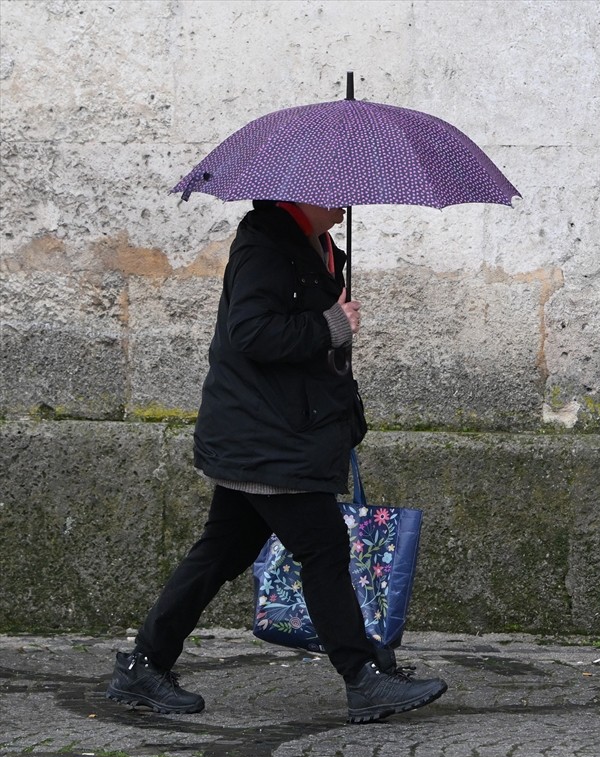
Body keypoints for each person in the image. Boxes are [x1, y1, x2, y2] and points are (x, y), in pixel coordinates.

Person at [106, 199, 446, 723]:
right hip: (266, 436)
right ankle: (362, 677)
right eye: (333, 193)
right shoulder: (265, 248)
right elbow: (251, 332)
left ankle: (143, 666)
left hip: (275, 432)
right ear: (301, 195)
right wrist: (330, 324)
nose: (343, 203)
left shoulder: (317, 247)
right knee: (324, 547)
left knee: (219, 553)